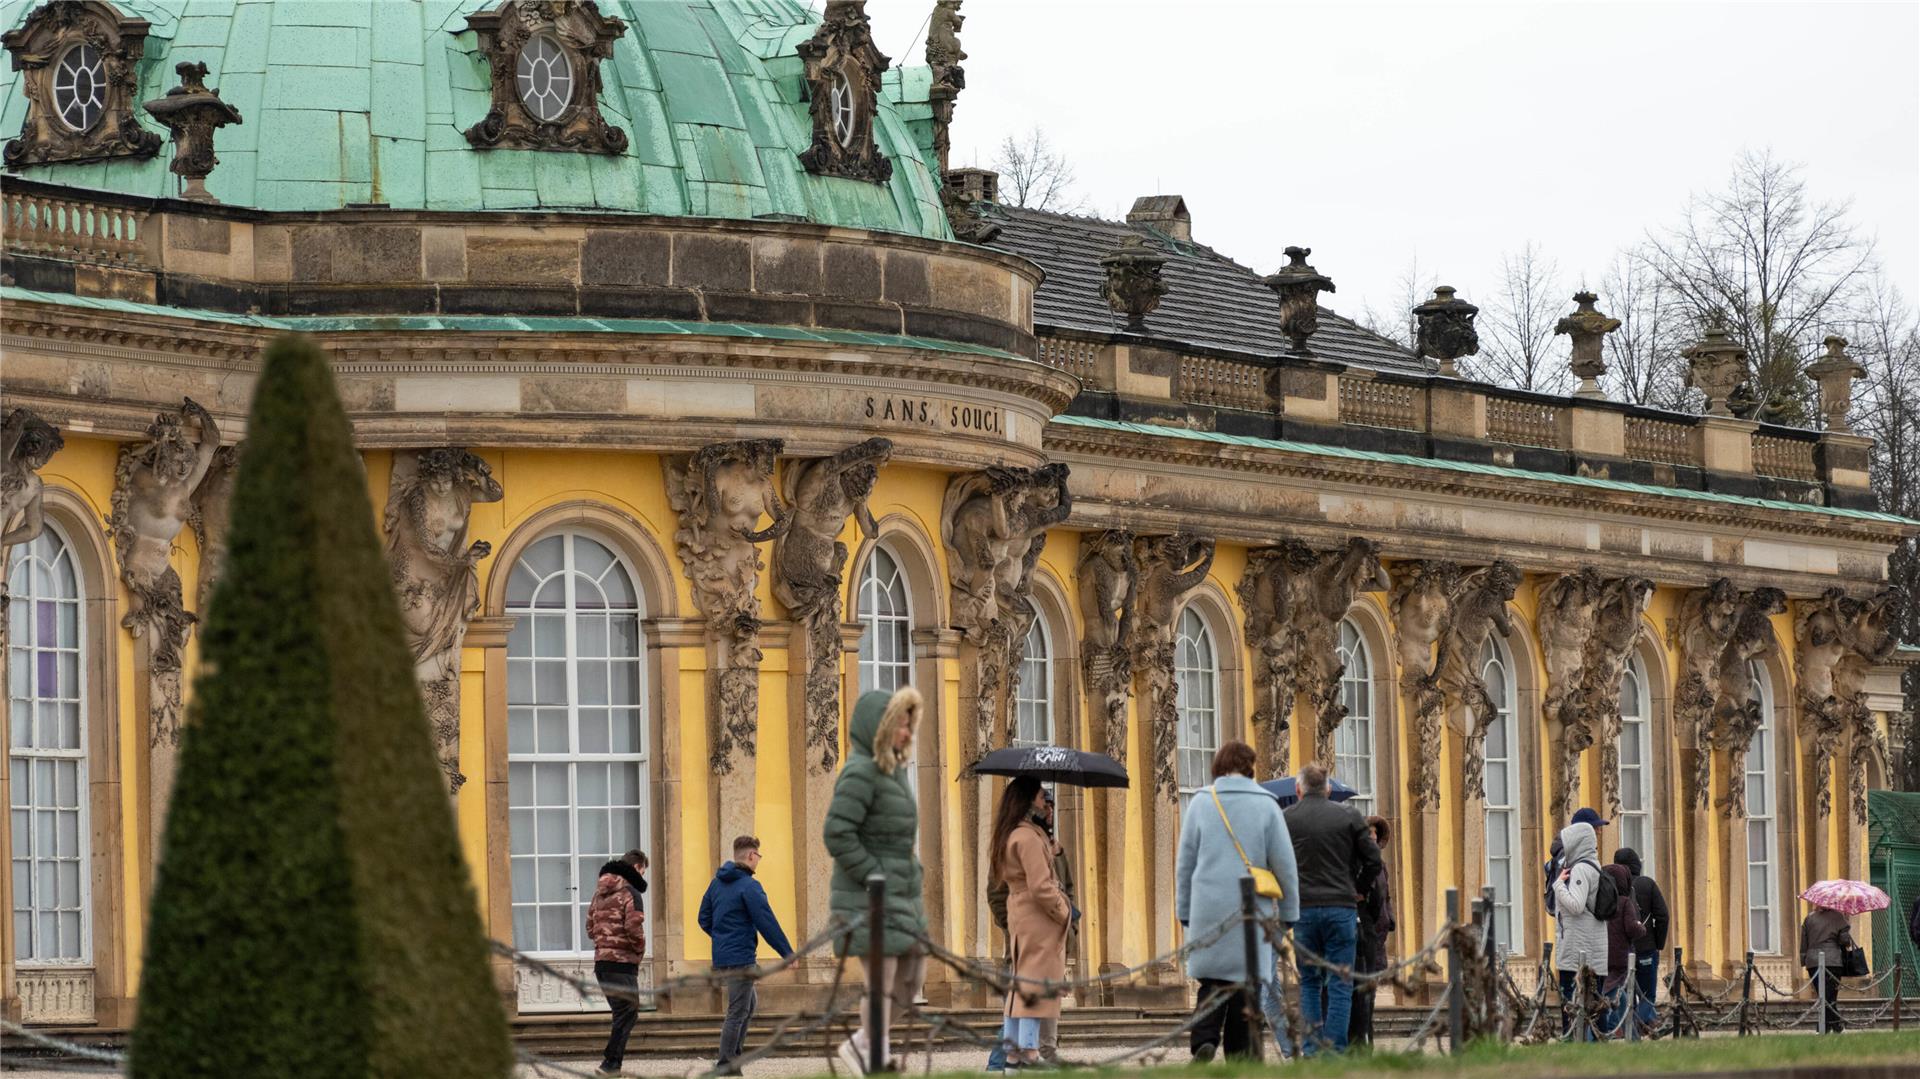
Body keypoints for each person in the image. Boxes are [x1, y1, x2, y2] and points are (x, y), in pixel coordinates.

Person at [826, 686, 929, 1075]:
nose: (906, 733)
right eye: (900, 725)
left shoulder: (893, 771)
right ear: (879, 727)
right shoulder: (860, 771)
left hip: (900, 895)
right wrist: (873, 875)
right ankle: (875, 1056)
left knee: (913, 976)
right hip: (867, 896)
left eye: (908, 725)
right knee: (883, 980)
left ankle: (863, 1043)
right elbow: (837, 832)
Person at [1177, 740, 1298, 1062]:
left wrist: (1184, 910)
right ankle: (1241, 1055)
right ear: (1250, 768)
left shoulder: (1202, 803)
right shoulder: (1267, 804)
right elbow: (1285, 865)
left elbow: (1185, 863)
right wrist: (1288, 914)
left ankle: (1204, 1038)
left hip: (1208, 906)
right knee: (1247, 987)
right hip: (1252, 908)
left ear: (1218, 766)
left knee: (1213, 982)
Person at [1283, 762, 1382, 1055]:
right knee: (1341, 983)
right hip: (1342, 907)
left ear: (1298, 789)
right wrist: (1359, 889)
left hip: (1304, 910)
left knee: (1310, 982)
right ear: (1327, 789)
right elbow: (1374, 860)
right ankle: (1336, 1049)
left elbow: (1276, 861)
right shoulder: (1348, 815)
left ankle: (1313, 1049)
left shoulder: (1287, 818)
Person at [987, 789, 1077, 1071]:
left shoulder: (1042, 842)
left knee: (1031, 1006)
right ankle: (1018, 1059)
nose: (1048, 807)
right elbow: (1035, 888)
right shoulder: (1026, 838)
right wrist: (1062, 915)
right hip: (1036, 931)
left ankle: (1026, 1060)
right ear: (1027, 803)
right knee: (1029, 1003)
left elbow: (1065, 886)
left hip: (1040, 930)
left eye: (1050, 804)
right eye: (1042, 800)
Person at [699, 835, 795, 1075]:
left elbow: (703, 918)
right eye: (758, 856)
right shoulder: (750, 886)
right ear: (751, 855)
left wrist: (722, 938)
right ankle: (727, 1065)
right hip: (741, 957)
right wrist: (787, 953)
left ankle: (734, 1058)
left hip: (725, 957)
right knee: (737, 1011)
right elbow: (767, 922)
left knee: (749, 1005)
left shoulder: (716, 884)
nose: (759, 860)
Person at [586, 849, 649, 1077]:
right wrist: (639, 950)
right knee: (628, 1013)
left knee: (622, 1013)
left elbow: (590, 928)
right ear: (636, 868)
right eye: (643, 870)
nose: (643, 875)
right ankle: (610, 1063)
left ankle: (611, 1062)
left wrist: (604, 942)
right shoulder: (631, 892)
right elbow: (634, 927)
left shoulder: (598, 894)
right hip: (622, 965)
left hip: (602, 964)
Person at [1551, 822, 1609, 1039]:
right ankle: (1597, 1041)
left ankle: (1571, 1039)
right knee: (1595, 1000)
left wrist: (1558, 886)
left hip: (1578, 949)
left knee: (1571, 998)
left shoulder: (1581, 870)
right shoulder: (1594, 865)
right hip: (1593, 946)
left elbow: (1576, 905)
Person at [1348, 816, 1394, 1049]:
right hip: (1366, 930)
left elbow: (1385, 898)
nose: (1373, 838)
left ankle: (1367, 1041)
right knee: (1363, 991)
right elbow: (1374, 899)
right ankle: (1363, 1042)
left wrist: (1387, 920)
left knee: (1369, 991)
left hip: (1377, 933)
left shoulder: (1380, 865)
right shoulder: (1362, 864)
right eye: (1369, 835)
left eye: (1376, 835)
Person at [1614, 847, 1668, 1033]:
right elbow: (1662, 916)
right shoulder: (1647, 884)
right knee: (1647, 994)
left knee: (1621, 992)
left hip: (1620, 949)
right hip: (1646, 947)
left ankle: (1640, 1025)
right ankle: (1638, 1027)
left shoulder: (1612, 886)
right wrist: (1658, 944)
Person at [1598, 856, 1646, 1036]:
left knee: (1618, 996)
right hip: (1620, 956)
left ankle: (1632, 1036)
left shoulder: (1601, 901)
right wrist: (1642, 928)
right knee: (1618, 997)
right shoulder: (1625, 902)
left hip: (1603, 954)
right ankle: (1600, 1033)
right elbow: (1631, 928)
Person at [1800, 903, 1853, 1033]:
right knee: (1831, 996)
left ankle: (1826, 1027)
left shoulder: (1809, 919)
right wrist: (1845, 923)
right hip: (1833, 961)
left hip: (1813, 961)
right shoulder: (1839, 917)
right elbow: (1845, 942)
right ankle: (1835, 1026)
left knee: (1823, 995)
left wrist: (1804, 960)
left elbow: (1804, 943)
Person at [1544, 808, 1607, 916]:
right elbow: (1573, 903)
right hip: (1572, 921)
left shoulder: (1580, 852)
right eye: (1595, 828)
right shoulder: (1567, 853)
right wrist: (1559, 885)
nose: (1599, 832)